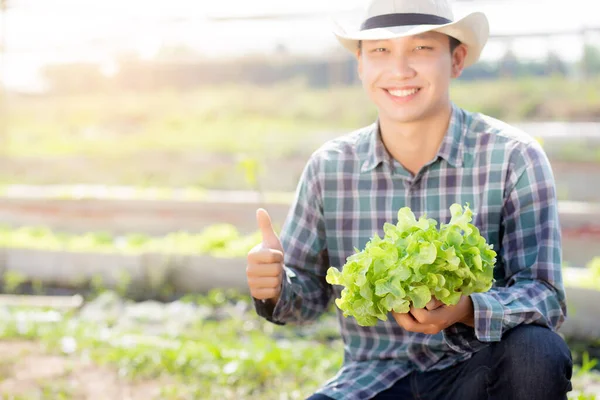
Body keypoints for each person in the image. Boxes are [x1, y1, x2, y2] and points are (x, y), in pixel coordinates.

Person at [245, 0, 573, 398]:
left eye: (421, 48)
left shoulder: (512, 157)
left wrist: (469, 308)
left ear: (456, 60)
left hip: (478, 373)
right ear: (361, 65)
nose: (400, 70)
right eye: (380, 50)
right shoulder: (328, 167)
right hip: (372, 381)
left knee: (537, 353)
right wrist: (275, 287)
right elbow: (307, 297)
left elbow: (545, 295)